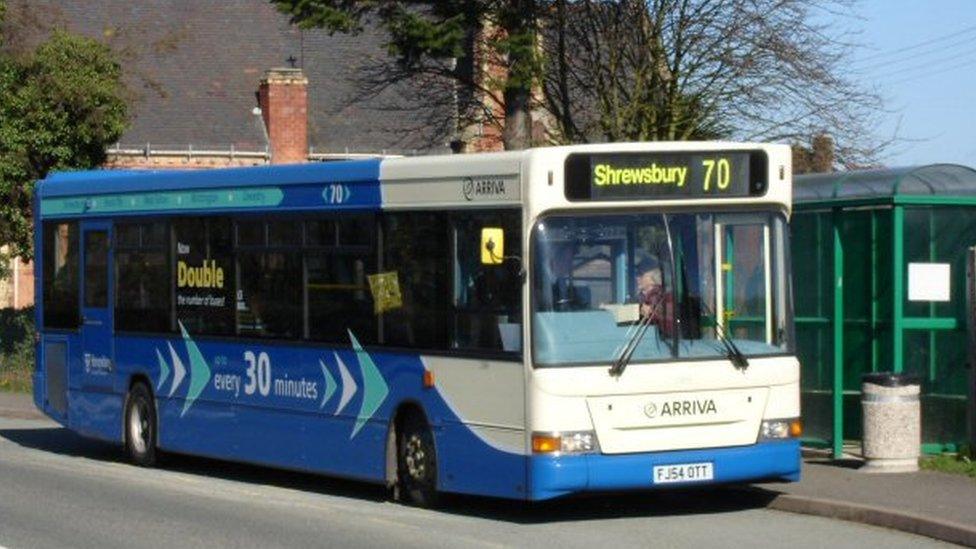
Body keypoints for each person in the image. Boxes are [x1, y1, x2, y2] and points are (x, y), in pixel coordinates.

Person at [635, 258, 673, 336]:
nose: (637, 278)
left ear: (653, 277)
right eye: (636, 274)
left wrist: (651, 312)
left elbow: (669, 320)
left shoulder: (664, 297)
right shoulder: (640, 297)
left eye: (640, 274)